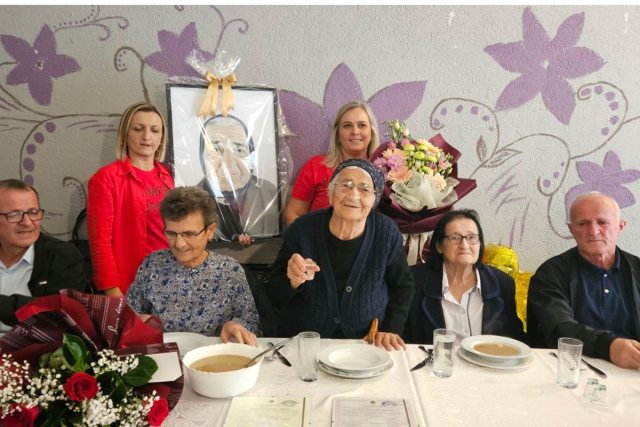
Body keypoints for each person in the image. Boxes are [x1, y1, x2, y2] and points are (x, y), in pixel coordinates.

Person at [267, 158, 414, 350]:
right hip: (306, 344)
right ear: (330, 193)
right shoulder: (302, 230)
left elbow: (403, 286)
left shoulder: (386, 232)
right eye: (346, 185)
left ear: (374, 199)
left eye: (364, 188)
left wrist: (391, 329)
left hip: (366, 344)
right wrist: (292, 281)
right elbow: (273, 294)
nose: (354, 195)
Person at [126, 186, 261, 345]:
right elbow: (128, 315)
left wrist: (235, 326)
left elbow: (252, 323)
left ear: (210, 230)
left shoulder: (230, 271)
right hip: (163, 354)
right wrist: (137, 320)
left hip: (213, 356)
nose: (179, 244)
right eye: (171, 233)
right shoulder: (152, 264)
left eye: (189, 234)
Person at [528, 192, 640, 369]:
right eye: (583, 223)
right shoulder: (550, 274)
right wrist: (609, 346)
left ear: (620, 226)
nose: (593, 231)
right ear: (571, 229)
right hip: (569, 370)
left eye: (602, 222)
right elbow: (559, 328)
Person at [87, 102, 174, 297]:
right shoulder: (106, 179)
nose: (147, 136)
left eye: (154, 130)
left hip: (169, 280)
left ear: (161, 138)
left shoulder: (166, 177)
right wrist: (113, 293)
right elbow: (100, 243)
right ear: (125, 134)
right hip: (131, 285)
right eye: (138, 128)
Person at [404, 209, 525, 345]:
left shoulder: (502, 283)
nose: (464, 245)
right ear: (439, 246)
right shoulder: (414, 280)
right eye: (455, 237)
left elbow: (515, 337)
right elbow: (402, 335)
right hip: (433, 358)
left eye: (471, 238)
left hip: (487, 358)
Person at [0, 179, 86, 330]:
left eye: (33, 212)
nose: (27, 222)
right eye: (14, 215)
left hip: (33, 343)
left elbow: (59, 316)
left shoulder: (63, 256)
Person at [285, 101, 380, 226]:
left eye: (362, 125)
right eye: (347, 126)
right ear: (337, 135)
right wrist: (311, 238)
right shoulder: (316, 166)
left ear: (372, 133)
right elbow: (293, 213)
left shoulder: (387, 170)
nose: (355, 131)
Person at [198, 114, 279, 244]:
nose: (228, 162)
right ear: (202, 158)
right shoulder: (189, 199)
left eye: (240, 150)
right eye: (216, 150)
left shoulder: (269, 193)